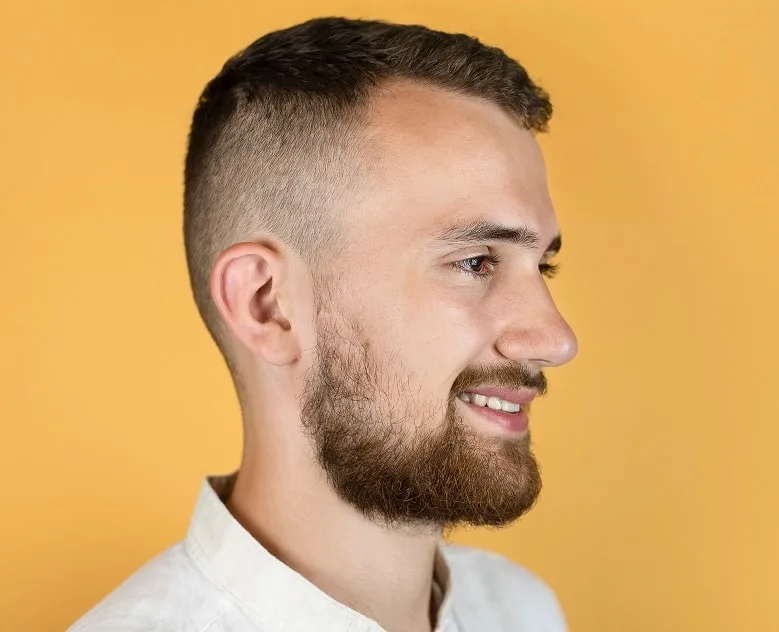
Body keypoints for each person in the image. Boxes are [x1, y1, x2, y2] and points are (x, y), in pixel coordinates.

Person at [69, 15, 578, 632]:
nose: (556, 340)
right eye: (475, 262)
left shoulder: (521, 610)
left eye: (541, 267)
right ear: (268, 304)